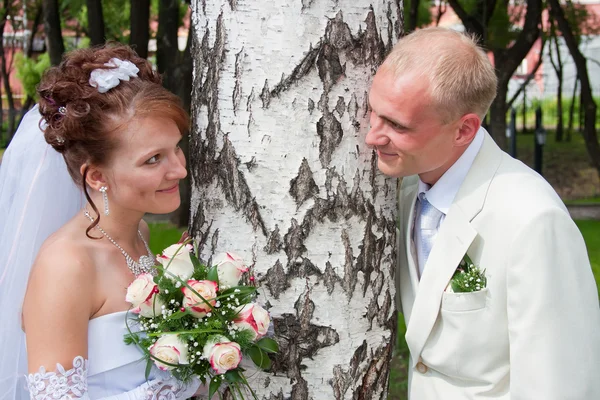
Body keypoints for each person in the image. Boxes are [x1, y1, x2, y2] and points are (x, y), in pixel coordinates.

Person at [366, 27, 600, 399]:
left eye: (396, 125)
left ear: (463, 130)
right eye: (373, 112)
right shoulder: (407, 190)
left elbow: (559, 383)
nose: (372, 136)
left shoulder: (533, 219)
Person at [0, 44, 203, 399]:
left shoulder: (138, 232)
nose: (179, 169)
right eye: (153, 159)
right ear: (96, 177)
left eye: (176, 147)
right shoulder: (66, 265)